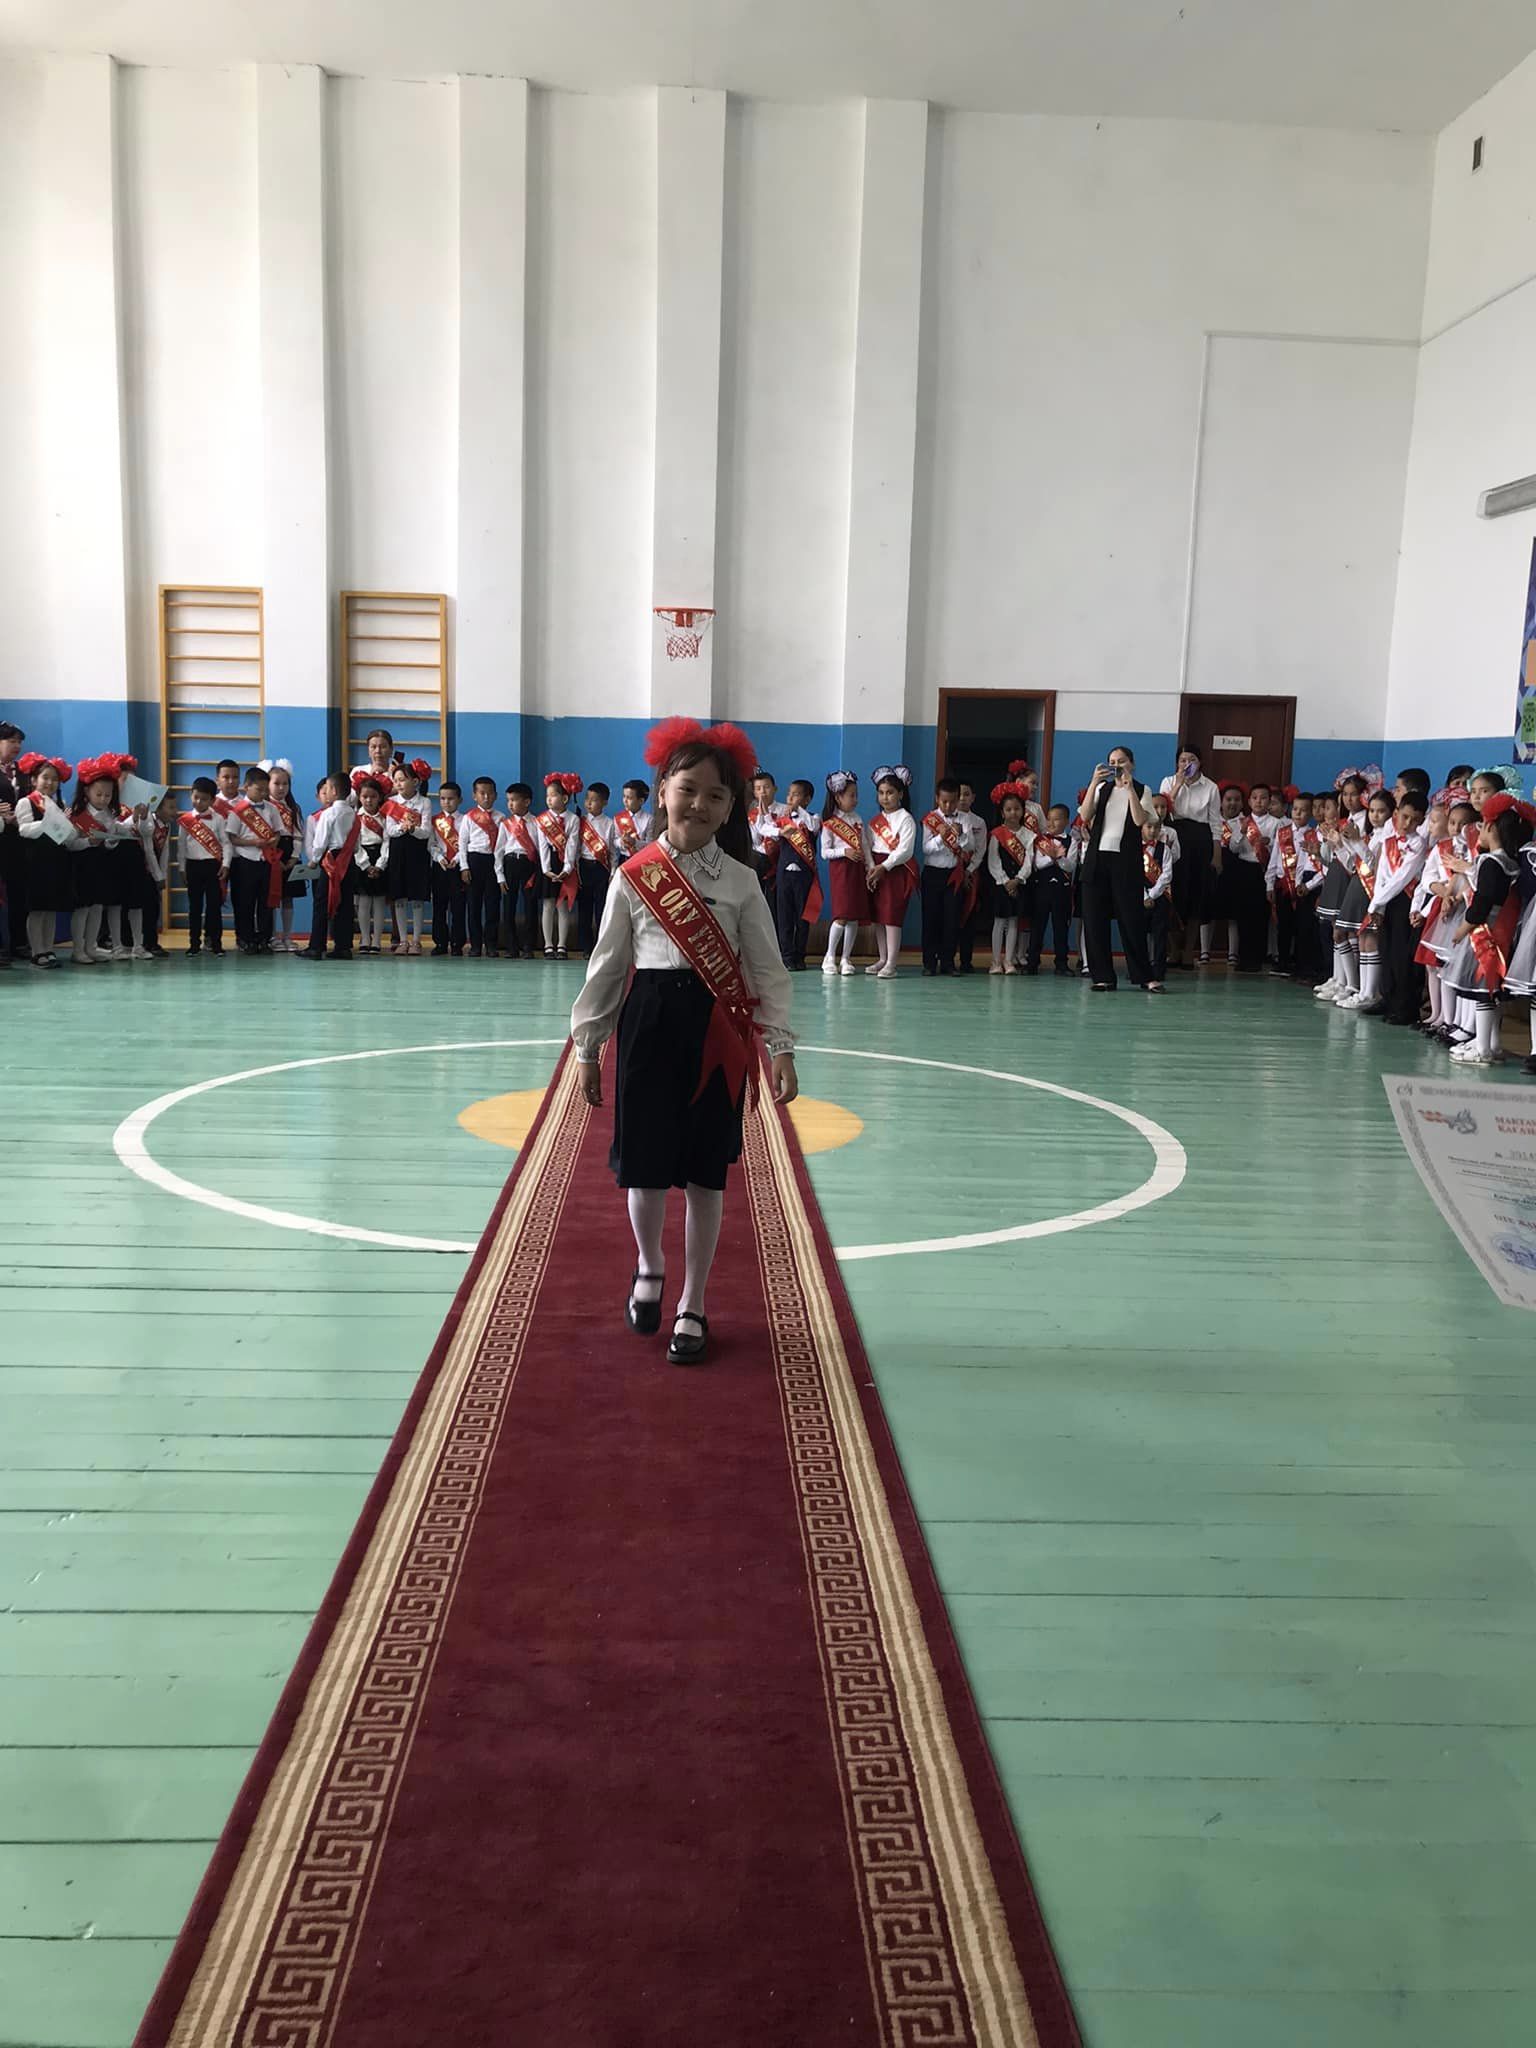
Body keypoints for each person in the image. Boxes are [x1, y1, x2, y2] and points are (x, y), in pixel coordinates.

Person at [571, 715, 796, 1368]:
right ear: (663, 791)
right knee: (642, 1163)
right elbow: (607, 967)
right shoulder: (633, 875)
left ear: (730, 808)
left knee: (704, 1172)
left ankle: (694, 1301)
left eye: (716, 795)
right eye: (688, 789)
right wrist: (588, 1046)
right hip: (647, 1024)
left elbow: (767, 969)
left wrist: (780, 1045)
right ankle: (649, 1264)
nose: (700, 804)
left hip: (716, 1031)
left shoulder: (742, 881)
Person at [1441, 794, 1534, 1065]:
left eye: (1481, 825)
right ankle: (1491, 1045)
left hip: (1485, 935)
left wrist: (1462, 929)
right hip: (1501, 932)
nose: (1477, 831)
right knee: (1490, 993)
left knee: (1482, 991)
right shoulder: (1510, 863)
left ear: (1491, 828)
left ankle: (1482, 1048)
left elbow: (1482, 902)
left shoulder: (1490, 863)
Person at [1077, 745, 1153, 991]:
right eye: (1112, 762)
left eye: (1122, 761)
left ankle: (1144, 976)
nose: (1117, 766)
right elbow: (1085, 815)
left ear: (1132, 764)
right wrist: (1093, 782)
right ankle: (1103, 977)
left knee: (1131, 919)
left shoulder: (1142, 789)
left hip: (1126, 862)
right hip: (1097, 859)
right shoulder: (1102, 789)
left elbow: (1140, 820)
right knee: (1094, 919)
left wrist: (1129, 788)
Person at [1370, 787, 1430, 1025]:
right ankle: (1389, 1000)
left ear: (1421, 821)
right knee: (1385, 950)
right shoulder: (1388, 841)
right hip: (1386, 900)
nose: (1407, 823)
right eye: (1404, 817)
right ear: (1396, 813)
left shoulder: (1419, 845)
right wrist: (1378, 906)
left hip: (1406, 900)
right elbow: (1382, 875)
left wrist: (1376, 903)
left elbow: (1402, 878)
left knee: (1401, 956)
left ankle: (1405, 1008)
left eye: (1414, 820)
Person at [1334, 787, 1397, 1010]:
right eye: (1372, 811)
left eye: (1381, 811)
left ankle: (1371, 992)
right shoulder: (1374, 835)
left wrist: (1357, 842)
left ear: (1391, 813)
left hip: (1375, 891)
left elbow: (1373, 864)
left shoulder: (1388, 836)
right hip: (1363, 887)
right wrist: (1343, 844)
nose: (1375, 815)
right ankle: (1363, 990)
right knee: (1362, 941)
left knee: (1370, 940)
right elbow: (1356, 864)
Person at [1159, 745, 1221, 968]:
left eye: (1192, 760)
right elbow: (1163, 810)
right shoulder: (1168, 782)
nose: (1187, 764)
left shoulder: (1211, 787)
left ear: (1200, 762)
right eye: (1183, 760)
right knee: (1174, 894)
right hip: (1175, 836)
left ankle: (1188, 952)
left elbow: (1215, 823)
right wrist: (1178, 785)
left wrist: (1217, 855)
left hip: (1200, 840)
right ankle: (1174, 950)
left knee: (1196, 895)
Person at [13, 754, 76, 967]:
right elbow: (24, 830)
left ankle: (49, 949)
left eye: (54, 779)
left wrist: (68, 826)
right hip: (35, 861)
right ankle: (36, 951)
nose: (50, 783)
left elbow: (65, 836)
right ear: (34, 780)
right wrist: (49, 821)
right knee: (37, 909)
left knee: (51, 909)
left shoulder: (59, 803)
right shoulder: (26, 802)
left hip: (55, 860)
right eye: (45, 778)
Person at [226, 765, 284, 954]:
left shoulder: (272, 809)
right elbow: (232, 838)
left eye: (266, 790)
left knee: (266, 902)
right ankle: (246, 939)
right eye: (259, 789)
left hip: (266, 861)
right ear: (246, 787)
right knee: (245, 903)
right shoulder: (237, 811)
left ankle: (264, 939)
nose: (263, 793)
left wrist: (274, 840)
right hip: (245, 861)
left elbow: (278, 832)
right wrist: (253, 842)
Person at [864, 766, 916, 979]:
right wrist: (871, 867)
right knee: (878, 916)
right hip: (876, 868)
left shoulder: (906, 819)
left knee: (892, 916)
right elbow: (867, 845)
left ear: (900, 794)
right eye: (881, 793)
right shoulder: (874, 821)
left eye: (890, 792)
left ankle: (892, 963)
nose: (885, 797)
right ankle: (882, 958)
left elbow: (905, 850)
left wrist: (883, 867)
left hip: (895, 870)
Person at [302, 773, 360, 961]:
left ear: (334, 791)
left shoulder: (328, 814)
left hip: (331, 861)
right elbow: (356, 844)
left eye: (327, 788)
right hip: (349, 860)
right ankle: (343, 946)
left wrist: (314, 860)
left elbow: (321, 841)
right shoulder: (354, 814)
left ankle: (316, 946)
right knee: (346, 903)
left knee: (321, 903)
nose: (325, 792)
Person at [385, 759, 433, 956]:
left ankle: (416, 941)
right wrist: (401, 827)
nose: (398, 784)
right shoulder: (391, 803)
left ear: (415, 781)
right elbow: (389, 830)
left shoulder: (425, 803)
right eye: (395, 780)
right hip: (398, 851)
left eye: (402, 780)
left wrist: (413, 830)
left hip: (417, 852)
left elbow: (426, 831)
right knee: (399, 897)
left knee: (417, 897)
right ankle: (403, 940)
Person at [819, 771, 866, 976]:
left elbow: (865, 846)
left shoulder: (858, 819)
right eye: (851, 795)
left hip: (857, 870)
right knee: (842, 915)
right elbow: (824, 853)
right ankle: (829, 956)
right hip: (840, 871)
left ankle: (846, 958)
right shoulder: (830, 822)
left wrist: (870, 867)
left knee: (853, 916)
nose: (855, 799)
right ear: (838, 797)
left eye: (856, 795)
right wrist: (844, 852)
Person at [985, 781, 1032, 973]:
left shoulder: (1029, 835)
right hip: (1001, 884)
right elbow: (993, 860)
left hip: (1020, 883)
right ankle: (996, 961)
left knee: (1014, 921)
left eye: (1017, 809)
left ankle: (1009, 960)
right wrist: (1005, 881)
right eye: (1009, 809)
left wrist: (1018, 879)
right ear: (1002, 812)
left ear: (1023, 811)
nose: (1013, 813)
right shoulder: (997, 834)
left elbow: (1029, 861)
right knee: (999, 921)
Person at [179, 777, 229, 955]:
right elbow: (181, 846)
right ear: (190, 795)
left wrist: (226, 864)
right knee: (194, 907)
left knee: (214, 907)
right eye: (196, 797)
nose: (199, 802)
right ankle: (194, 944)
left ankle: (216, 943)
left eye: (204, 799)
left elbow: (226, 843)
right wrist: (182, 868)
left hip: (213, 866)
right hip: (193, 866)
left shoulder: (218, 819)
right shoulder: (185, 820)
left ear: (212, 800)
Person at [1026, 803, 1077, 975]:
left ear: (1066, 821)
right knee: (1037, 926)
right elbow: (1038, 864)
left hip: (1062, 891)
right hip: (1042, 889)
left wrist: (1060, 859)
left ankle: (1061, 964)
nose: (1051, 823)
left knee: (1061, 927)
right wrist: (1052, 857)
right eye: (1049, 819)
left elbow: (1070, 866)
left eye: (1056, 819)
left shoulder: (1072, 841)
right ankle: (1032, 962)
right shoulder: (1041, 840)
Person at [537, 772, 582, 959]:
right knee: (548, 905)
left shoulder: (573, 819)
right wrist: (546, 869)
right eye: (547, 796)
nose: (549, 799)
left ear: (564, 798)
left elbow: (572, 845)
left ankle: (562, 945)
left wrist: (567, 869)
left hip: (565, 865)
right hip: (548, 864)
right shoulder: (542, 820)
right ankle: (548, 945)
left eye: (553, 795)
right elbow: (542, 846)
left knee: (563, 906)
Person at [458, 777, 502, 958]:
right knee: (473, 905)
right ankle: (475, 945)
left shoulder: (501, 818)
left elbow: (502, 845)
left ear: (496, 795)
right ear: (474, 796)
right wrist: (464, 867)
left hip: (493, 862)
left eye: (490, 793)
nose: (486, 797)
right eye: (482, 793)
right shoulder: (468, 817)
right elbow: (462, 844)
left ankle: (491, 944)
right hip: (474, 861)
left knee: (493, 905)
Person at [495, 783, 539, 958]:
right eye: (508, 800)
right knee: (508, 906)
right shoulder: (506, 824)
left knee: (530, 905)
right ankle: (511, 946)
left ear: (526, 802)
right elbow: (499, 851)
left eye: (514, 800)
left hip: (529, 864)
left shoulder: (536, 823)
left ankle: (529, 946)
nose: (510, 804)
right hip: (510, 863)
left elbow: (540, 848)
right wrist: (500, 875)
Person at [264, 760, 303, 954]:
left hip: (289, 855)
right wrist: (275, 858)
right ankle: (272, 937)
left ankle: (287, 936)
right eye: (276, 783)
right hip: (271, 856)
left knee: (288, 898)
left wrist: (294, 857)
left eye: (285, 783)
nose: (281, 788)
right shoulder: (264, 808)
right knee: (272, 898)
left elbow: (298, 834)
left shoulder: (293, 808)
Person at [0, 721, 31, 961]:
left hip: (20, 841)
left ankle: (20, 942)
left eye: (19, 742)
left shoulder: (24, 772)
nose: (17, 746)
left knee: (20, 892)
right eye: (11, 741)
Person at [576, 782, 618, 956]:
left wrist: (613, 872)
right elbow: (575, 848)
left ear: (604, 802)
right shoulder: (580, 822)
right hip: (584, 867)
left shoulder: (610, 824)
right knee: (584, 909)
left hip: (601, 869)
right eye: (587, 798)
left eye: (594, 800)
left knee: (601, 909)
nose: (589, 803)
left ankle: (600, 947)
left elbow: (613, 851)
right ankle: (586, 947)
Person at [351, 776, 391, 953]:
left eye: (373, 796)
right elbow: (355, 844)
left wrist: (380, 865)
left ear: (380, 797)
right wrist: (366, 865)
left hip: (380, 858)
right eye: (365, 796)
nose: (368, 800)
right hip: (362, 860)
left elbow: (387, 842)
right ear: (359, 797)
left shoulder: (385, 818)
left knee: (379, 902)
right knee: (364, 902)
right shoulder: (356, 818)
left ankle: (377, 940)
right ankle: (365, 938)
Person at [430, 780, 467, 958]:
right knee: (439, 906)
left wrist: (457, 859)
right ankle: (440, 942)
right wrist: (439, 858)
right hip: (440, 867)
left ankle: (457, 943)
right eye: (443, 799)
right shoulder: (435, 821)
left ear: (459, 800)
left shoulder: (466, 820)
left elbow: (466, 844)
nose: (446, 802)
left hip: (459, 867)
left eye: (451, 799)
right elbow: (431, 844)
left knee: (458, 907)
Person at [954, 781, 988, 973]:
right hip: (952, 871)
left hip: (971, 873)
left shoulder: (979, 822)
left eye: (966, 794)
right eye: (958, 794)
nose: (962, 798)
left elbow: (980, 849)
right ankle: (947, 958)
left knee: (969, 917)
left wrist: (968, 870)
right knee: (951, 915)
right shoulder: (947, 818)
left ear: (973, 797)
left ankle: (966, 960)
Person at [1141, 813, 1174, 988]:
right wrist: (1144, 896)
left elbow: (1166, 875)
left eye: (1156, 827)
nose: (1153, 831)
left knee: (1160, 934)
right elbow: (1132, 874)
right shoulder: (1134, 849)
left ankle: (1159, 970)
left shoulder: (1165, 849)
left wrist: (1153, 895)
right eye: (1149, 827)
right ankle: (1139, 969)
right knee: (1138, 934)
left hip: (1160, 898)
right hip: (1139, 898)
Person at [748, 770, 782, 910]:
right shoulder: (752, 814)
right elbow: (756, 841)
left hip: (780, 859)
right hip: (760, 860)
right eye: (758, 788)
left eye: (766, 787)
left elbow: (778, 836)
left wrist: (767, 816)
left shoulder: (784, 810)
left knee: (777, 901)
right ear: (754, 792)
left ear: (775, 789)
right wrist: (760, 817)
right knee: (758, 898)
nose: (762, 792)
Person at [614, 780, 652, 856]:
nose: (625, 800)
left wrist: (635, 842)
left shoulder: (649, 819)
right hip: (623, 859)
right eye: (624, 796)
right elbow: (614, 840)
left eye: (629, 798)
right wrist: (621, 842)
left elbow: (651, 845)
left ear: (641, 801)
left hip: (641, 858)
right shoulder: (618, 817)